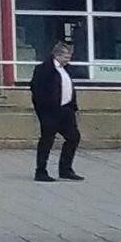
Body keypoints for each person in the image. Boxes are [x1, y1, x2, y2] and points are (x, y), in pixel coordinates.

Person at [31, 39, 82, 181]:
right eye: (66, 56)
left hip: (66, 111)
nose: (68, 59)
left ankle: (65, 169)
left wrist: (73, 107)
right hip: (50, 112)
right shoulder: (43, 69)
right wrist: (43, 109)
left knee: (73, 137)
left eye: (69, 56)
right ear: (57, 55)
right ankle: (41, 171)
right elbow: (37, 91)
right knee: (47, 140)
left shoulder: (67, 69)